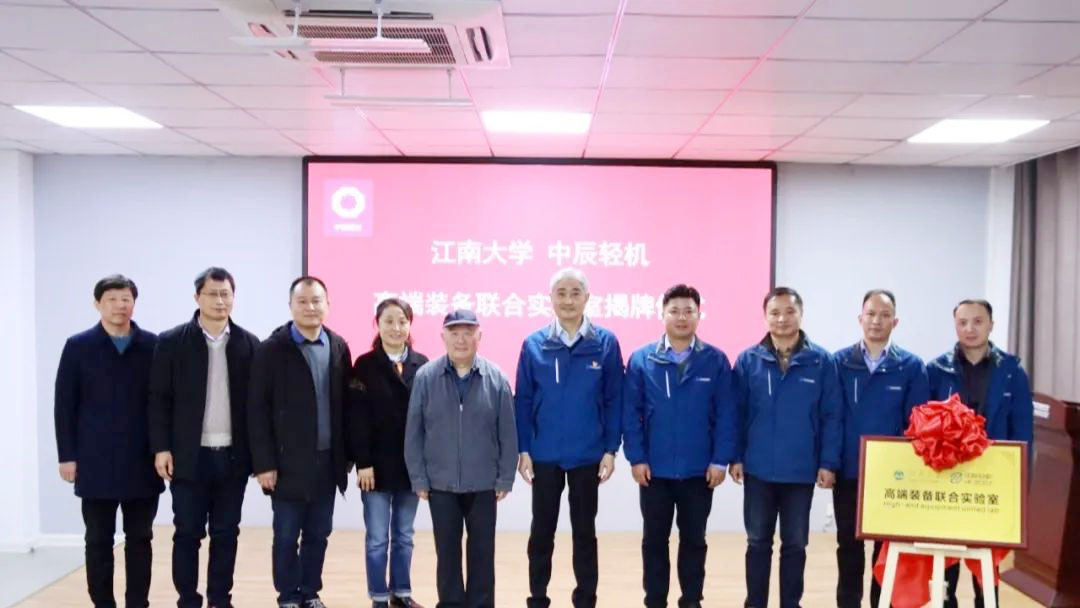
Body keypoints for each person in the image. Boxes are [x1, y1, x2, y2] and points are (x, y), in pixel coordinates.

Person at [148, 267, 261, 608]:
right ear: (197, 297)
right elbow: (158, 399)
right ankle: (188, 599)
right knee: (188, 533)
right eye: (212, 294)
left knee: (226, 533)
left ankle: (219, 599)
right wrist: (161, 448)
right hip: (188, 456)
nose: (219, 300)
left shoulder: (249, 344)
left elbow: (257, 407)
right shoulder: (172, 342)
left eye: (226, 294)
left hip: (232, 457)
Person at [514, 268, 624, 608]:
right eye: (561, 293)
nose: (568, 300)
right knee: (541, 531)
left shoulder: (605, 343)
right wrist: (523, 448)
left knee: (584, 532)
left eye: (575, 292)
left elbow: (614, 399)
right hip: (544, 454)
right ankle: (538, 597)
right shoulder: (534, 344)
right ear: (551, 298)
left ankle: (585, 599)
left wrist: (611, 449)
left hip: (587, 454)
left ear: (587, 297)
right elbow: (524, 400)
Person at [622, 284, 736, 608]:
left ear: (699, 315)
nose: (682, 317)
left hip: (699, 471)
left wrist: (720, 460)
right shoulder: (643, 359)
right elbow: (630, 414)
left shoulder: (715, 361)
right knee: (654, 541)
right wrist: (636, 458)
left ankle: (691, 600)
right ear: (663, 314)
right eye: (674, 311)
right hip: (654, 471)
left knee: (694, 542)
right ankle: (655, 600)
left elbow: (726, 415)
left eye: (689, 311)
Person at [54, 274, 163, 608]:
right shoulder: (78, 346)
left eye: (126, 298)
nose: (120, 305)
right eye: (112, 299)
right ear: (97, 303)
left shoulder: (153, 345)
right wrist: (67, 455)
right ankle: (102, 603)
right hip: (94, 460)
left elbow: (163, 402)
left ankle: (137, 603)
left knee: (140, 538)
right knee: (98, 540)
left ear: (134, 303)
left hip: (142, 460)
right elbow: (64, 405)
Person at [730, 286, 843, 608]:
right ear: (765, 316)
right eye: (775, 312)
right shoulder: (748, 360)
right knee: (757, 542)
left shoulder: (821, 361)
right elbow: (735, 413)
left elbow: (832, 415)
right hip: (758, 470)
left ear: (801, 314)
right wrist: (735, 457)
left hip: (800, 470)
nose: (782, 319)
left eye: (789, 312)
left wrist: (828, 463)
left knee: (795, 544)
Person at [248, 276, 354, 608]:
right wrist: (264, 463)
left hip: (327, 461)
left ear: (328, 305)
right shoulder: (272, 349)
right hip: (286, 463)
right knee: (285, 535)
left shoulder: (338, 346)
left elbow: (348, 405)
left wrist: (347, 457)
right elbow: (256, 409)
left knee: (318, 534)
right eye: (302, 301)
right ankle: (288, 595)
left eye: (316, 300)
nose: (310, 307)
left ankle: (310, 592)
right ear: (291, 305)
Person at [404, 309, 517, 608]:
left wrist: (505, 477)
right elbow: (414, 433)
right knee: (447, 553)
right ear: (443, 337)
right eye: (454, 333)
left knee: (482, 553)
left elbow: (508, 433)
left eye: (468, 333)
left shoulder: (496, 378)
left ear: (480, 336)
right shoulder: (426, 377)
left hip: (483, 484)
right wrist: (419, 478)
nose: (461, 340)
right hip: (440, 484)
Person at [928, 299, 1033, 608]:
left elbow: (1023, 431)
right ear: (955, 326)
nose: (970, 329)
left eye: (977, 321)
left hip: (992, 479)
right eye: (962, 323)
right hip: (948, 477)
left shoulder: (1012, 372)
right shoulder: (936, 370)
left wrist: (1020, 483)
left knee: (986, 561)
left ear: (991, 325)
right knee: (947, 558)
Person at [831, 289, 929, 608]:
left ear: (895, 322)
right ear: (860, 318)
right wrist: (829, 463)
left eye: (885, 315)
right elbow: (831, 417)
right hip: (849, 470)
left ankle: (881, 603)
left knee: (885, 548)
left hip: (892, 474)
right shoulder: (839, 363)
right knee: (849, 544)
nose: (876, 321)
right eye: (871, 314)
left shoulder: (912, 366)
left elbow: (917, 423)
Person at [348, 298, 429, 608]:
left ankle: (401, 592)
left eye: (402, 321)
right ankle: (379, 595)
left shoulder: (423, 364)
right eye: (389, 321)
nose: (396, 328)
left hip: (411, 466)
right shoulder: (365, 365)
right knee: (377, 538)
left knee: (405, 534)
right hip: (376, 467)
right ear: (377, 324)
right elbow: (356, 419)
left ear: (410, 325)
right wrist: (363, 463)